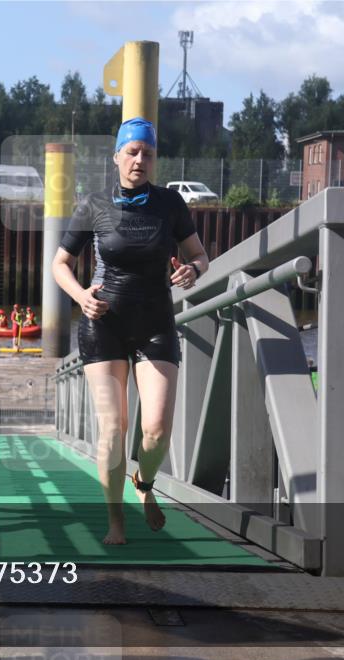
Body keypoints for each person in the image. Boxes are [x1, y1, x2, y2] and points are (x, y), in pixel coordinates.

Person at [51, 117, 209, 545]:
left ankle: (144, 481)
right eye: (132, 152)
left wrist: (193, 270)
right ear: (117, 156)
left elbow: (199, 255)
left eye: (148, 153)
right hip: (104, 326)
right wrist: (81, 296)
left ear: (155, 159)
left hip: (156, 323)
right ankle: (115, 522)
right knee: (114, 429)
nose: (140, 159)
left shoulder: (171, 204)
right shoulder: (94, 205)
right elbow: (60, 264)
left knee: (155, 430)